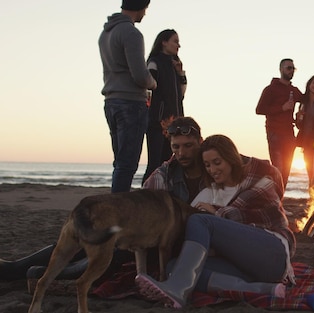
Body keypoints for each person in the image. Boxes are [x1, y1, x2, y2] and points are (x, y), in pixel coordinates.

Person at [0, 117, 206, 282]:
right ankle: (13, 268)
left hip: (188, 242)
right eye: (176, 147)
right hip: (155, 237)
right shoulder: (164, 174)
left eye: (188, 146)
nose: (181, 153)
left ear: (200, 143)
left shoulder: (214, 169)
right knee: (91, 236)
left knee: (116, 254)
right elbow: (142, 203)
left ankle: (42, 274)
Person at [136, 134, 296, 308]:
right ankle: (263, 289)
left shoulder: (258, 182)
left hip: (272, 254)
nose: (212, 169)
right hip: (243, 267)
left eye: (217, 162)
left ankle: (178, 290)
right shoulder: (207, 194)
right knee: (174, 267)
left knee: (200, 221)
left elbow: (268, 212)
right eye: (207, 165)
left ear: (231, 159)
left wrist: (217, 212)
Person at [99, 0, 157, 193]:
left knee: (120, 162)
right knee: (128, 163)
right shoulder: (131, 33)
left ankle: (116, 206)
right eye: (146, 9)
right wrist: (154, 83)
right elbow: (140, 76)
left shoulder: (105, 33)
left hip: (111, 101)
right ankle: (119, 209)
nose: (145, 14)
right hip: (131, 102)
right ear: (140, 7)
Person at [142, 29, 188, 183]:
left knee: (171, 162)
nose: (178, 45)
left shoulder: (174, 64)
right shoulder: (155, 62)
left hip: (175, 122)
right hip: (158, 121)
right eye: (175, 41)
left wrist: (180, 73)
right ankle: (146, 193)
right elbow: (148, 88)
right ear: (164, 42)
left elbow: (181, 95)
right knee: (155, 162)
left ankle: (164, 194)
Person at [256, 59, 304, 189]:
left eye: (293, 68)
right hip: (274, 132)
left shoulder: (294, 90)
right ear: (281, 69)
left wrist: (300, 113)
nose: (291, 71)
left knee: (286, 171)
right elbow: (259, 110)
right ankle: (274, 201)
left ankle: (278, 202)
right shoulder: (270, 89)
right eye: (289, 68)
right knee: (278, 169)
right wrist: (281, 108)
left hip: (289, 133)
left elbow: (306, 99)